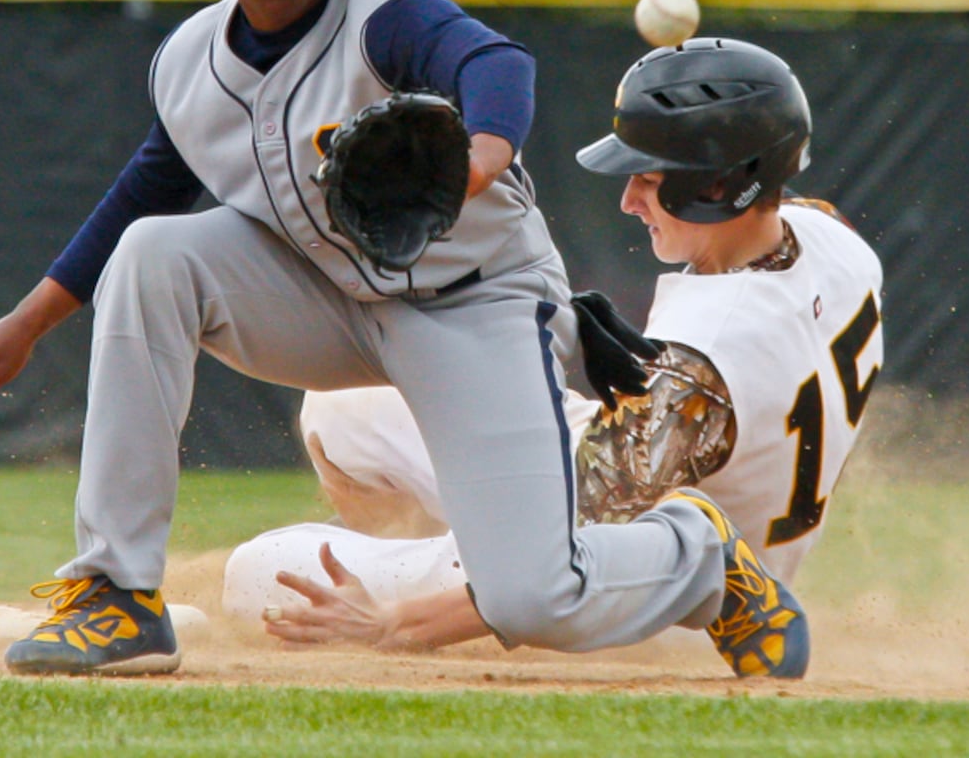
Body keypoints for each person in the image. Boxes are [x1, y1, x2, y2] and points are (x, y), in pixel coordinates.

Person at [0, 0, 664, 676]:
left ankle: (694, 552)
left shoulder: (383, 14)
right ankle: (117, 594)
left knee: (529, 596)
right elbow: (146, 190)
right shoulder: (189, 61)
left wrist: (477, 161)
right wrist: (27, 320)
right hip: (325, 302)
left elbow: (497, 65)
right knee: (154, 253)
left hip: (469, 302)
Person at [225, 37, 885, 676]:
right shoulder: (829, 236)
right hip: (659, 469)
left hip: (651, 590)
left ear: (715, 189)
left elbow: (551, 565)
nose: (629, 201)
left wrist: (393, 622)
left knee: (254, 579)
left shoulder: (697, 365)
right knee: (345, 403)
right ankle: (410, 550)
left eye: (649, 180)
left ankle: (424, 578)